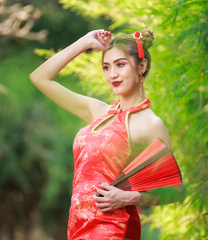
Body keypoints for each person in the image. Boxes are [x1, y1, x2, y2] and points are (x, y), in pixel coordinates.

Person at [30, 29, 174, 240]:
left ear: (141, 66)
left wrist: (126, 197)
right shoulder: (98, 112)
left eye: (120, 64)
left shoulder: (150, 124)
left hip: (113, 228)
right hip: (79, 227)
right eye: (106, 67)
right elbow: (39, 78)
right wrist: (84, 42)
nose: (112, 74)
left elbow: (174, 190)